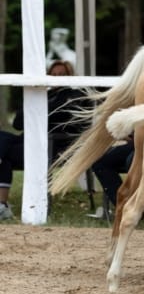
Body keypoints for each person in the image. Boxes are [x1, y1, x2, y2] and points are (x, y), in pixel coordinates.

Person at [0, 60, 87, 220]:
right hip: (28, 142)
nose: (56, 78)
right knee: (2, 138)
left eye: (61, 75)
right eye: (53, 75)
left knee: (4, 153)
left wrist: (36, 111)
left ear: (70, 76)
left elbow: (60, 116)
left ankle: (2, 206)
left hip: (52, 145)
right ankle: (2, 206)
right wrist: (34, 104)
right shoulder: (42, 94)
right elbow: (18, 123)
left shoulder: (75, 95)